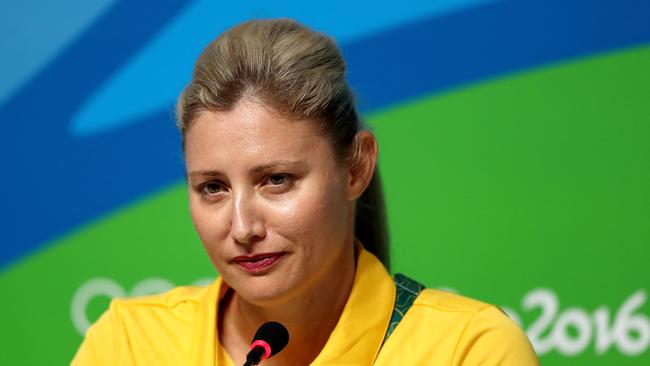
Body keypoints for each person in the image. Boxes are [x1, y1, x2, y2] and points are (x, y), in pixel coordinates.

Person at [72, 19, 540, 365]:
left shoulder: (471, 350)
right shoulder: (126, 344)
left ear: (356, 167)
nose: (242, 227)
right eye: (212, 187)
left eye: (276, 180)